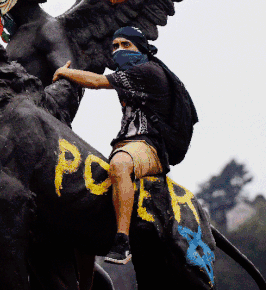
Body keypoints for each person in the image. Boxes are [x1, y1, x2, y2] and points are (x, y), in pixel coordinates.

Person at [53, 26, 195, 265]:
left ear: (141, 48)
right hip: (126, 145)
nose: (119, 51)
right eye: (115, 46)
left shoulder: (147, 71)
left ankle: (122, 242)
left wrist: (65, 72)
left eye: (125, 45)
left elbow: (97, 82)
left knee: (119, 165)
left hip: (149, 146)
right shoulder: (131, 74)